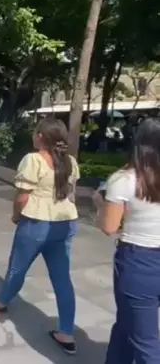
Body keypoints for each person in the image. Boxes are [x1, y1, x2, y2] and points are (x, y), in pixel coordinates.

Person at [0, 118, 79, 355]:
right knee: (62, 278)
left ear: (41, 136)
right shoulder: (70, 161)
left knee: (18, 268)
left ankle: (1, 301)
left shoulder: (33, 160)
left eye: (35, 132)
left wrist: (15, 215)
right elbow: (70, 193)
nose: (33, 135)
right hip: (64, 224)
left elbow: (22, 196)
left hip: (36, 223)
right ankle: (66, 331)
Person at [96, 118, 160, 363]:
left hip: (139, 262)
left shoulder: (124, 179)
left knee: (147, 346)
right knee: (126, 323)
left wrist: (100, 201)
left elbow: (109, 227)